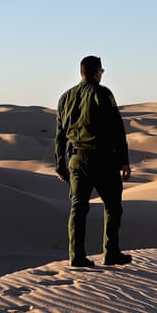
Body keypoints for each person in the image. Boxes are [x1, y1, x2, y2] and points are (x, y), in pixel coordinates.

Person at [54, 55, 132, 267]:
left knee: (78, 207)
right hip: (102, 159)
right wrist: (124, 160)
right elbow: (117, 129)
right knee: (113, 206)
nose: (101, 75)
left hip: (76, 159)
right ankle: (111, 253)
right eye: (101, 71)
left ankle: (76, 256)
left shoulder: (64, 97)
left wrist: (59, 163)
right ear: (97, 71)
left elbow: (60, 134)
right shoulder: (102, 93)